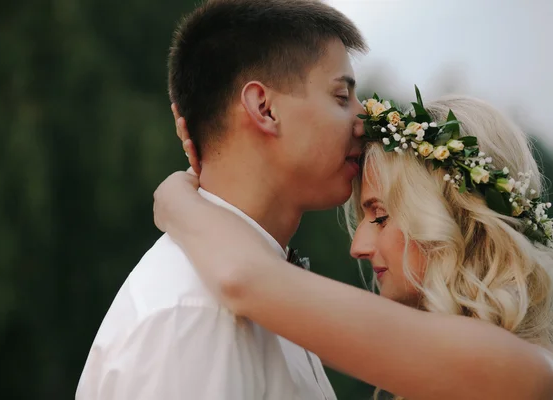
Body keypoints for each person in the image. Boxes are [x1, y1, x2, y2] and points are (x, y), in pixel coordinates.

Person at [153, 90, 553, 400]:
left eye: (379, 215)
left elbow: (244, 278)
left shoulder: (519, 370)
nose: (358, 245)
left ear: (458, 217)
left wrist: (175, 200)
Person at [76, 0, 369, 399]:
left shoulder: (269, 293)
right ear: (264, 108)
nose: (363, 121)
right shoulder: (191, 317)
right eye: (341, 97)